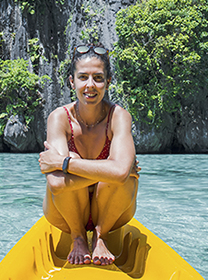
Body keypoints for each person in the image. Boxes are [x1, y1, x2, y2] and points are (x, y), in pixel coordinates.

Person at [38, 43, 139, 266]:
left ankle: (101, 237)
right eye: (83, 77)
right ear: (72, 81)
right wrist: (112, 170)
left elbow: (122, 175)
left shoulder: (119, 117)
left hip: (112, 210)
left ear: (108, 81)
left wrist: (65, 163)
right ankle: (78, 236)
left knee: (127, 180)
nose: (90, 85)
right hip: (66, 213)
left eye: (98, 78)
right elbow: (56, 184)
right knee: (122, 173)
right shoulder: (59, 118)